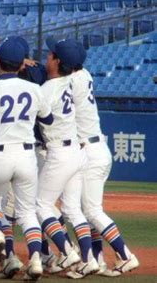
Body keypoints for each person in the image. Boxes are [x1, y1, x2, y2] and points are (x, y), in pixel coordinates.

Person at [0, 37, 54, 281]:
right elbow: (48, 120)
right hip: (27, 154)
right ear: (22, 65)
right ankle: (36, 261)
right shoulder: (34, 89)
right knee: (27, 212)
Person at [67, 41, 139, 278]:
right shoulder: (84, 73)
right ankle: (97, 258)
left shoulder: (71, 81)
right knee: (88, 211)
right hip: (95, 148)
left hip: (90, 152)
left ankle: (126, 255)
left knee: (92, 211)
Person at [36, 38, 99, 277]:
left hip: (60, 153)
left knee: (40, 205)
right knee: (72, 208)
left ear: (58, 61)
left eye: (50, 55)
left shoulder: (46, 89)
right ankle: (89, 259)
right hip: (77, 151)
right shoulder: (71, 83)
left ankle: (66, 250)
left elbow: (46, 120)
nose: (46, 58)